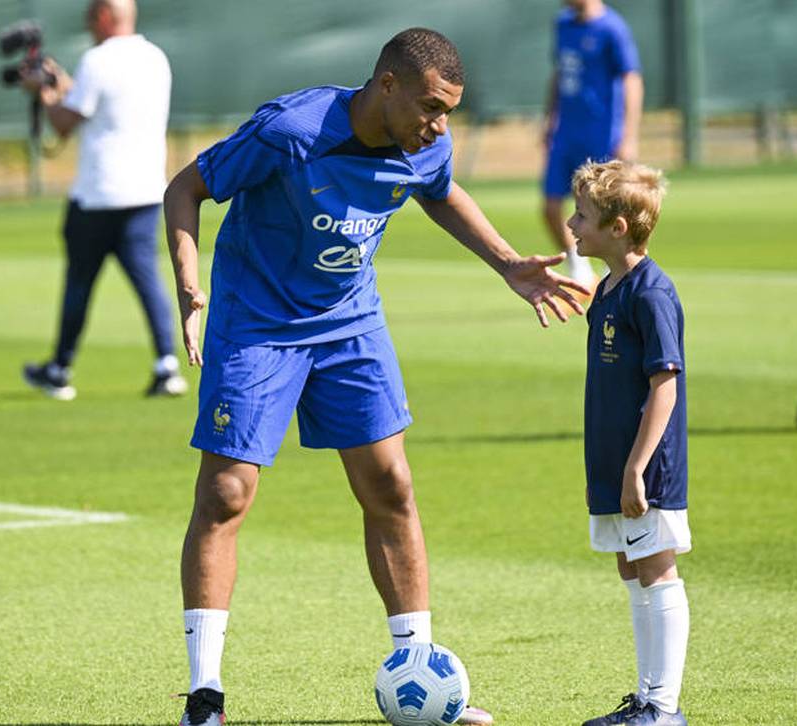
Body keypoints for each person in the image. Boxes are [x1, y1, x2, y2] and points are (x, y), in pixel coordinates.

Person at [162, 28, 590, 726]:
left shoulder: (426, 143)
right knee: (227, 492)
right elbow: (186, 189)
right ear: (385, 85)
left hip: (348, 322)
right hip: (257, 320)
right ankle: (205, 696)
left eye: (449, 110)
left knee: (391, 484)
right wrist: (189, 289)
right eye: (429, 106)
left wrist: (509, 263)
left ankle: (421, 673)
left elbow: (442, 192)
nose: (439, 124)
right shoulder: (291, 131)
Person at [567, 160, 690, 726]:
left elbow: (664, 385)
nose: (571, 224)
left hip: (646, 466)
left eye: (584, 217)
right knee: (630, 566)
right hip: (612, 460)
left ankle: (662, 708)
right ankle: (645, 701)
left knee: (656, 567)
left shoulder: (652, 293)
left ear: (618, 229)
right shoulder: (610, 288)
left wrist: (638, 467)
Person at [20, 0, 186, 401]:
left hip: (98, 194)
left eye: (91, 17)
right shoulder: (155, 58)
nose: (88, 25)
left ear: (105, 17)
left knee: (79, 284)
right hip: (145, 191)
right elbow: (104, 105)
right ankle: (167, 365)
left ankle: (60, 370)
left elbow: (63, 123)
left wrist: (42, 91)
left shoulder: (98, 59)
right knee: (149, 282)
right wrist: (62, 84)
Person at [542, 0, 644, 294]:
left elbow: (632, 79)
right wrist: (550, 116)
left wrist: (629, 135)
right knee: (550, 207)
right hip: (566, 135)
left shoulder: (612, 28)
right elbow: (559, 72)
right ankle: (580, 270)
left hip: (602, 136)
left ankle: (620, 279)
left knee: (610, 213)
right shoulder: (562, 24)